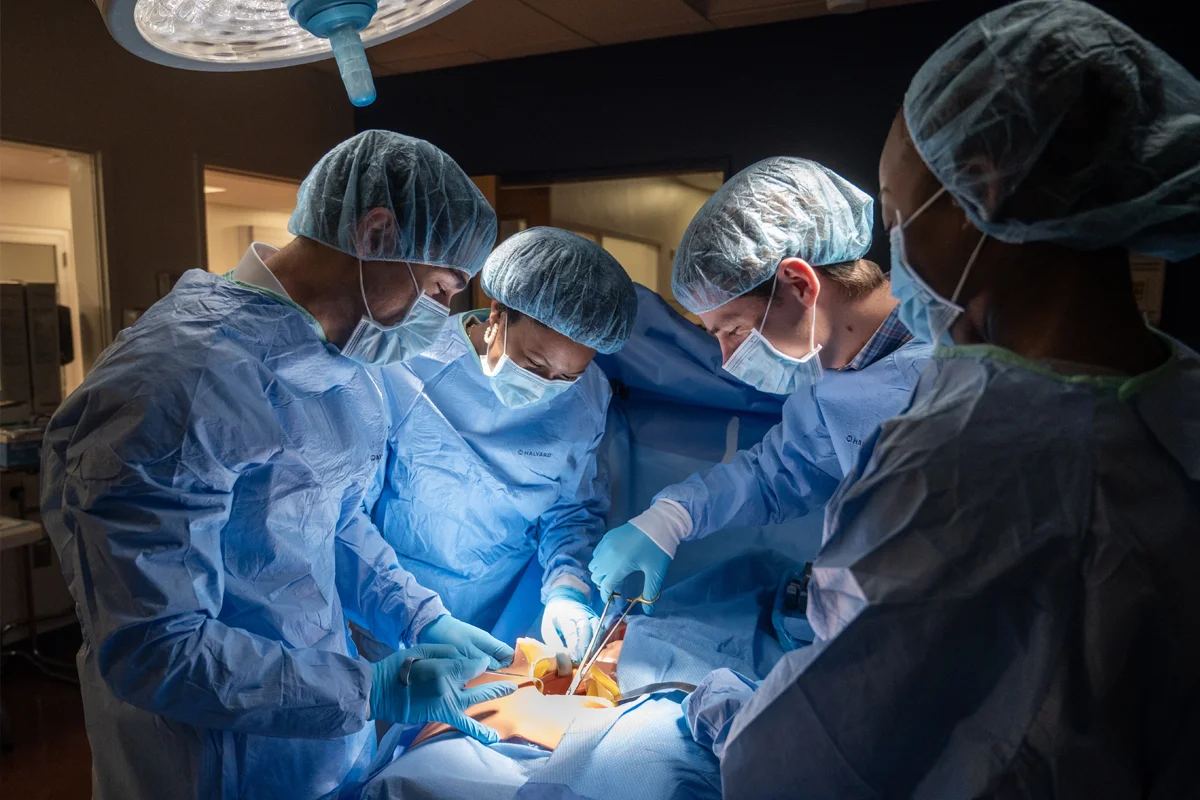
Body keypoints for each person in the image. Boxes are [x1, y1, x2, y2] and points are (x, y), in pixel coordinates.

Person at [711, 2, 1200, 797]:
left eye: (899, 211)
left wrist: (726, 715)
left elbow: (809, 760)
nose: (890, 239)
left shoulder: (965, 456)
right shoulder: (1176, 406)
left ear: (985, 191)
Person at [40, 130, 520, 800]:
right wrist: (369, 686)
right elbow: (158, 650)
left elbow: (333, 523)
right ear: (377, 232)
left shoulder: (340, 361)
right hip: (208, 765)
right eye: (441, 288)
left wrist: (420, 616)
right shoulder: (181, 381)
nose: (442, 316)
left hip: (320, 740)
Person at [589, 157, 932, 609]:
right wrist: (675, 514)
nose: (729, 361)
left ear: (798, 285)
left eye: (733, 330)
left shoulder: (955, 361)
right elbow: (779, 473)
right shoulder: (826, 376)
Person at [363, 228, 637, 662]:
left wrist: (568, 588)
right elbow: (346, 516)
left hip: (499, 612)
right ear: (497, 314)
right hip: (382, 608)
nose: (547, 388)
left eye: (566, 378)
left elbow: (571, 509)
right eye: (534, 364)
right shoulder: (408, 365)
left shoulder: (588, 398)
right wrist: (413, 614)